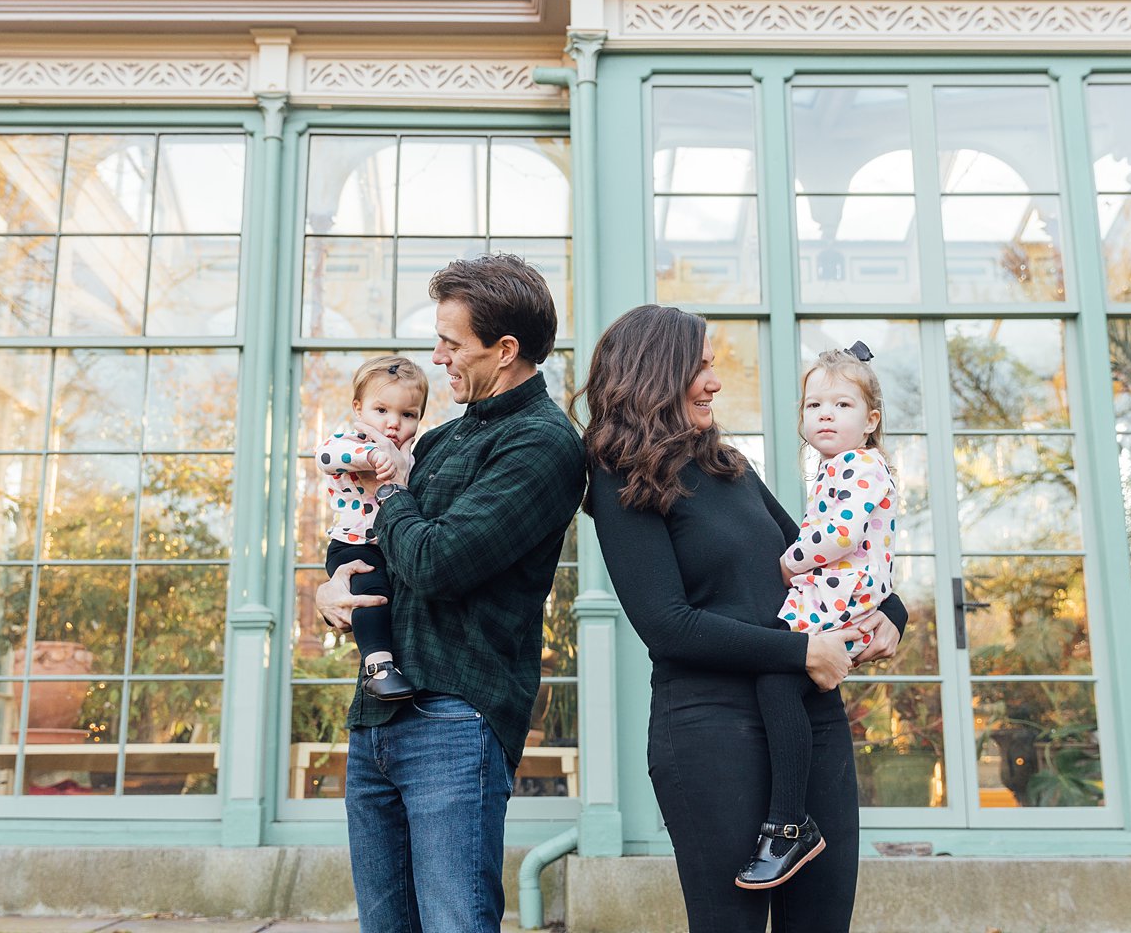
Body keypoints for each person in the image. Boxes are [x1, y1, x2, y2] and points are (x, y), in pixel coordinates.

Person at [580, 305, 908, 933]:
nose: (714, 381)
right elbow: (667, 625)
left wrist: (891, 609)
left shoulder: (731, 467)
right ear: (657, 373)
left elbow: (815, 551)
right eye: (699, 367)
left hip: (810, 721)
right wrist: (800, 653)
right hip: (710, 730)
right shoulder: (619, 477)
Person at [313, 253, 586, 933]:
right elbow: (382, 552)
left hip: (455, 720)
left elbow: (436, 563)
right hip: (376, 719)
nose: (435, 357)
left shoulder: (544, 444)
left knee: (454, 924)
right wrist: (332, 588)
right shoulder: (437, 440)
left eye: (450, 343)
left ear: (505, 350)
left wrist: (392, 491)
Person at [736, 341, 898, 890]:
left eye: (843, 406)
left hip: (839, 595)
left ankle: (789, 822)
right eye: (814, 406)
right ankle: (787, 818)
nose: (825, 414)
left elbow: (841, 533)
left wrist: (789, 561)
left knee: (776, 680)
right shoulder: (840, 466)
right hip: (837, 594)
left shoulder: (858, 464)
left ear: (871, 421)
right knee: (783, 683)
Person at [313, 355, 429, 701]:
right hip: (355, 545)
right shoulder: (349, 442)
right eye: (382, 410)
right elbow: (325, 457)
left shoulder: (412, 454)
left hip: (394, 544)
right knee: (370, 596)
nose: (393, 423)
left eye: (408, 415)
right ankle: (378, 668)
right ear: (358, 409)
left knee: (392, 598)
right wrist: (372, 457)